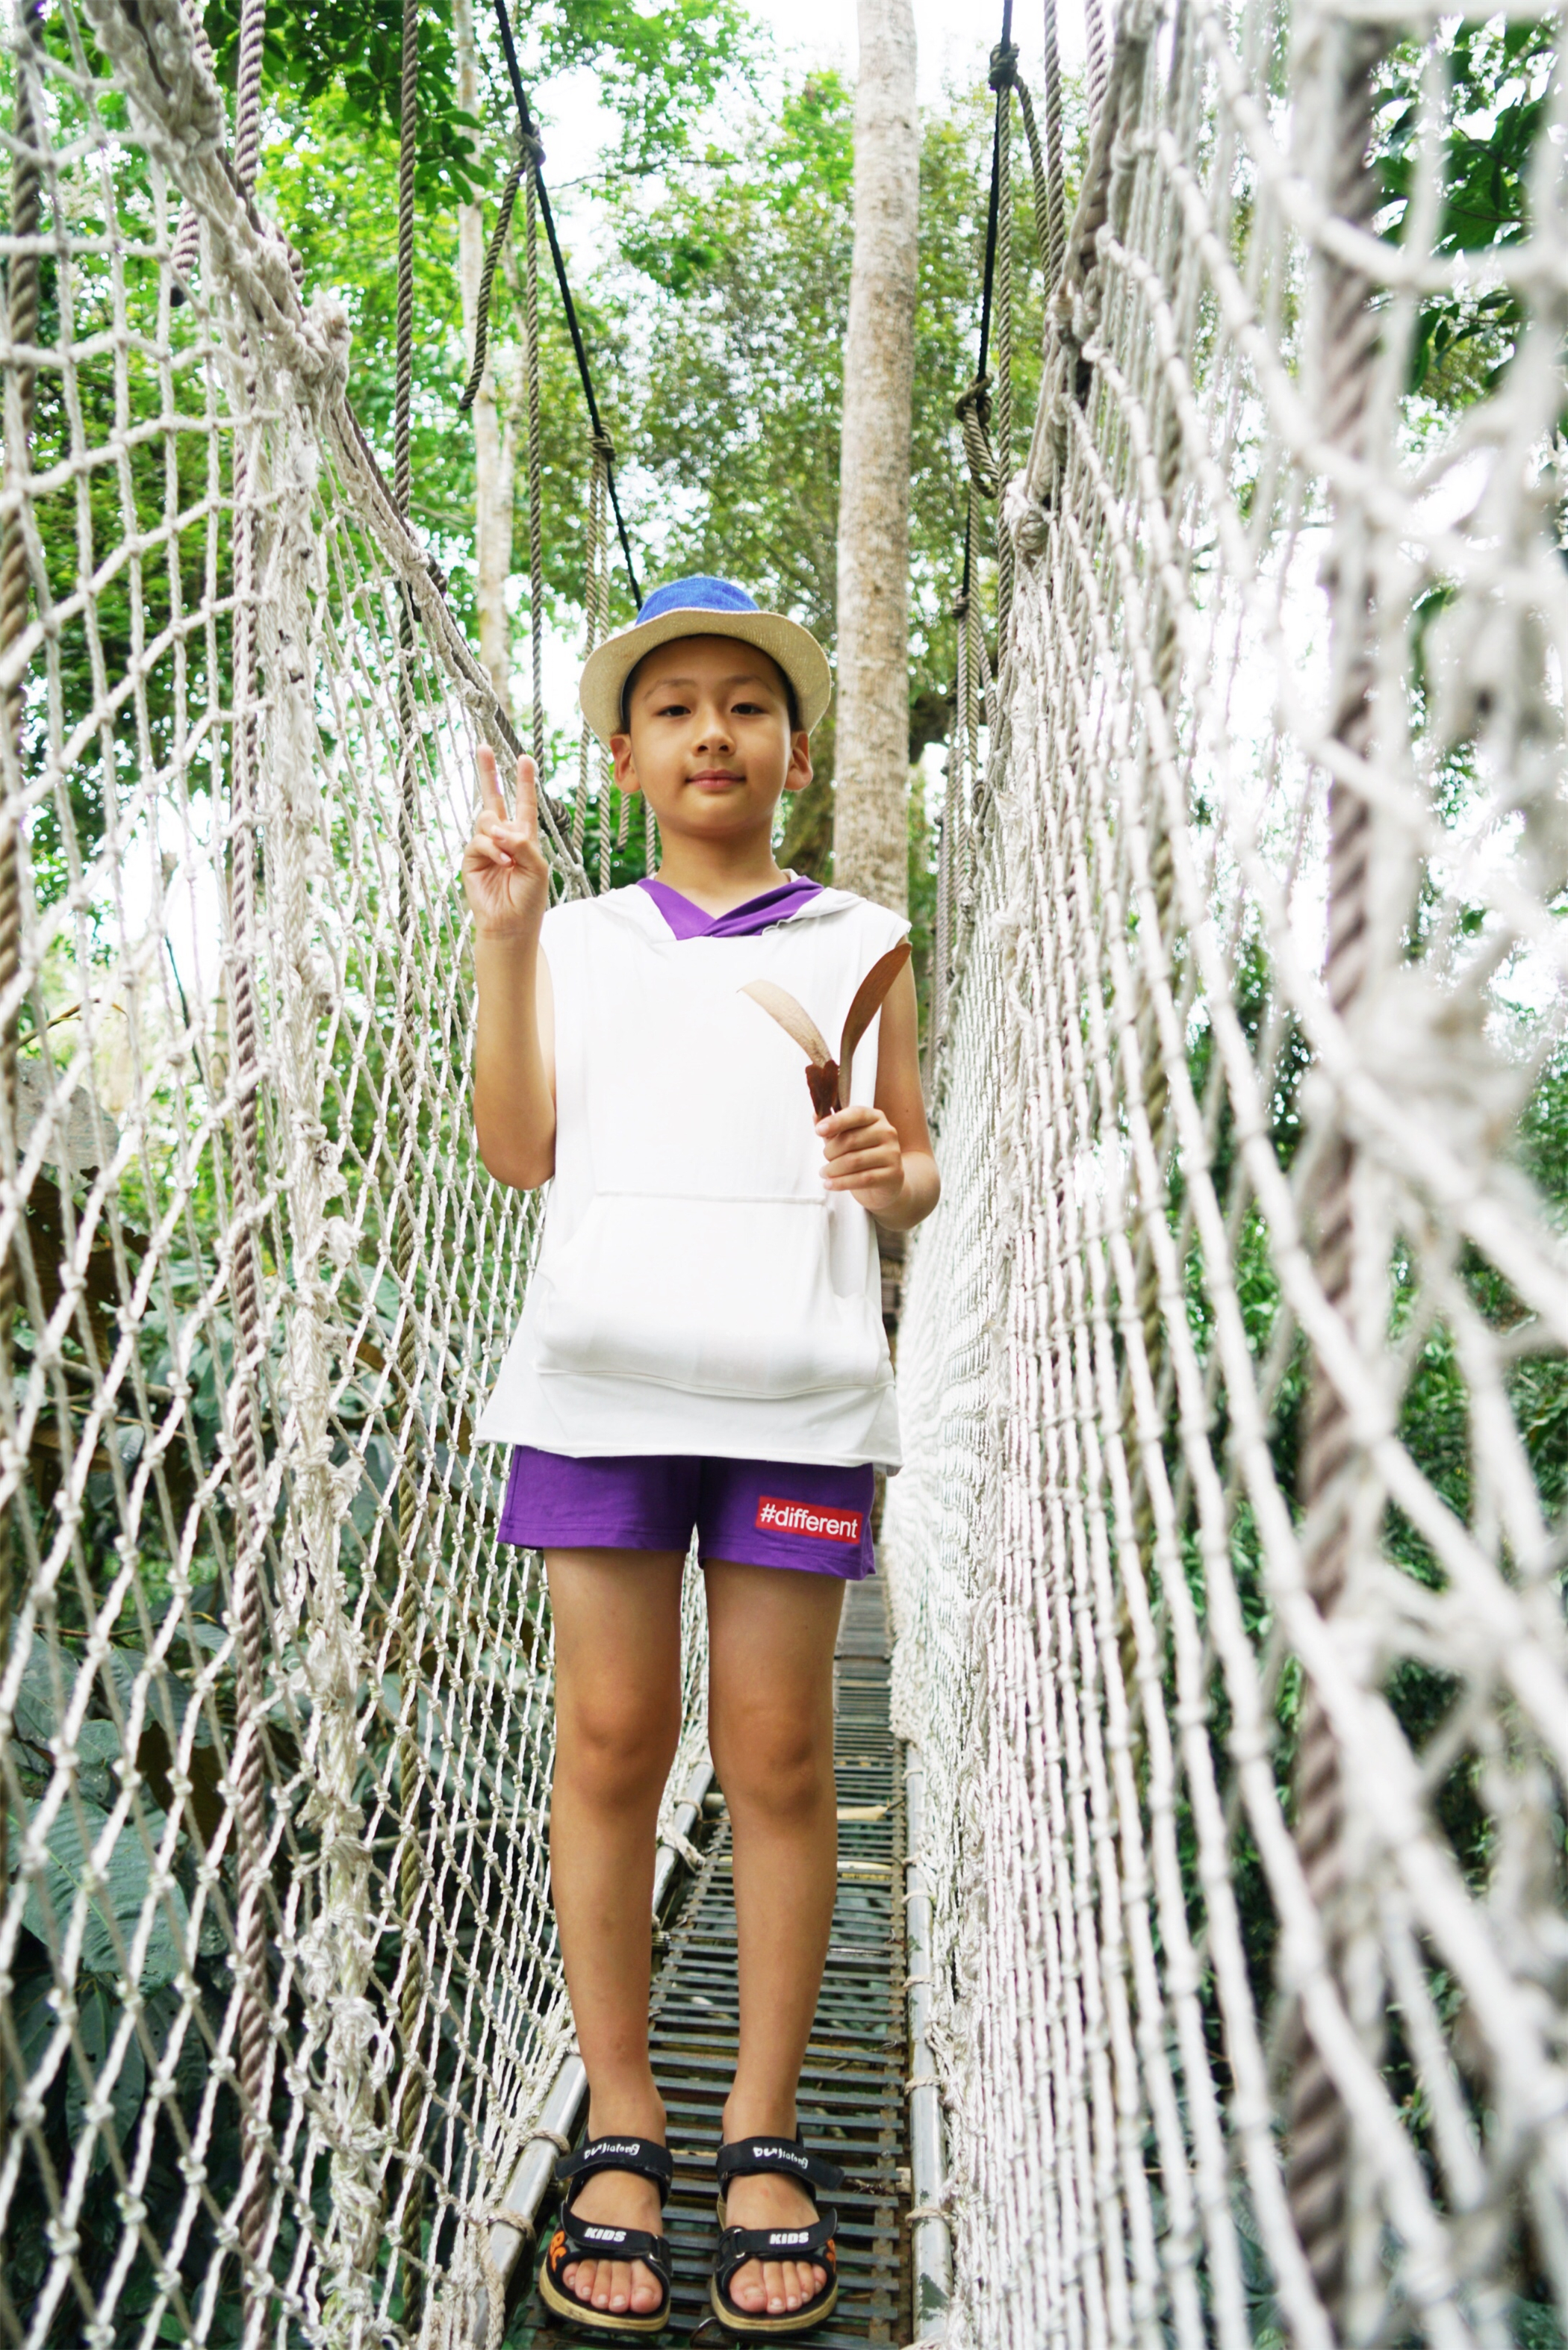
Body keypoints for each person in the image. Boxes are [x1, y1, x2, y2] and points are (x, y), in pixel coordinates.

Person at [462, 576, 939, 2337]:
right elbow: (519, 1150)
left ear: (792, 748)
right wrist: (506, 939)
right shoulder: (575, 935)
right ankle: (627, 2122)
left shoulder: (866, 934)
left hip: (795, 1395)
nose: (714, 730)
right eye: (676, 708)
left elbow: (912, 1171)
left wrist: (889, 1163)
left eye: (748, 702)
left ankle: (759, 2135)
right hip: (596, 1385)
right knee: (608, 1738)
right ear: (625, 754)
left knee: (783, 1751)